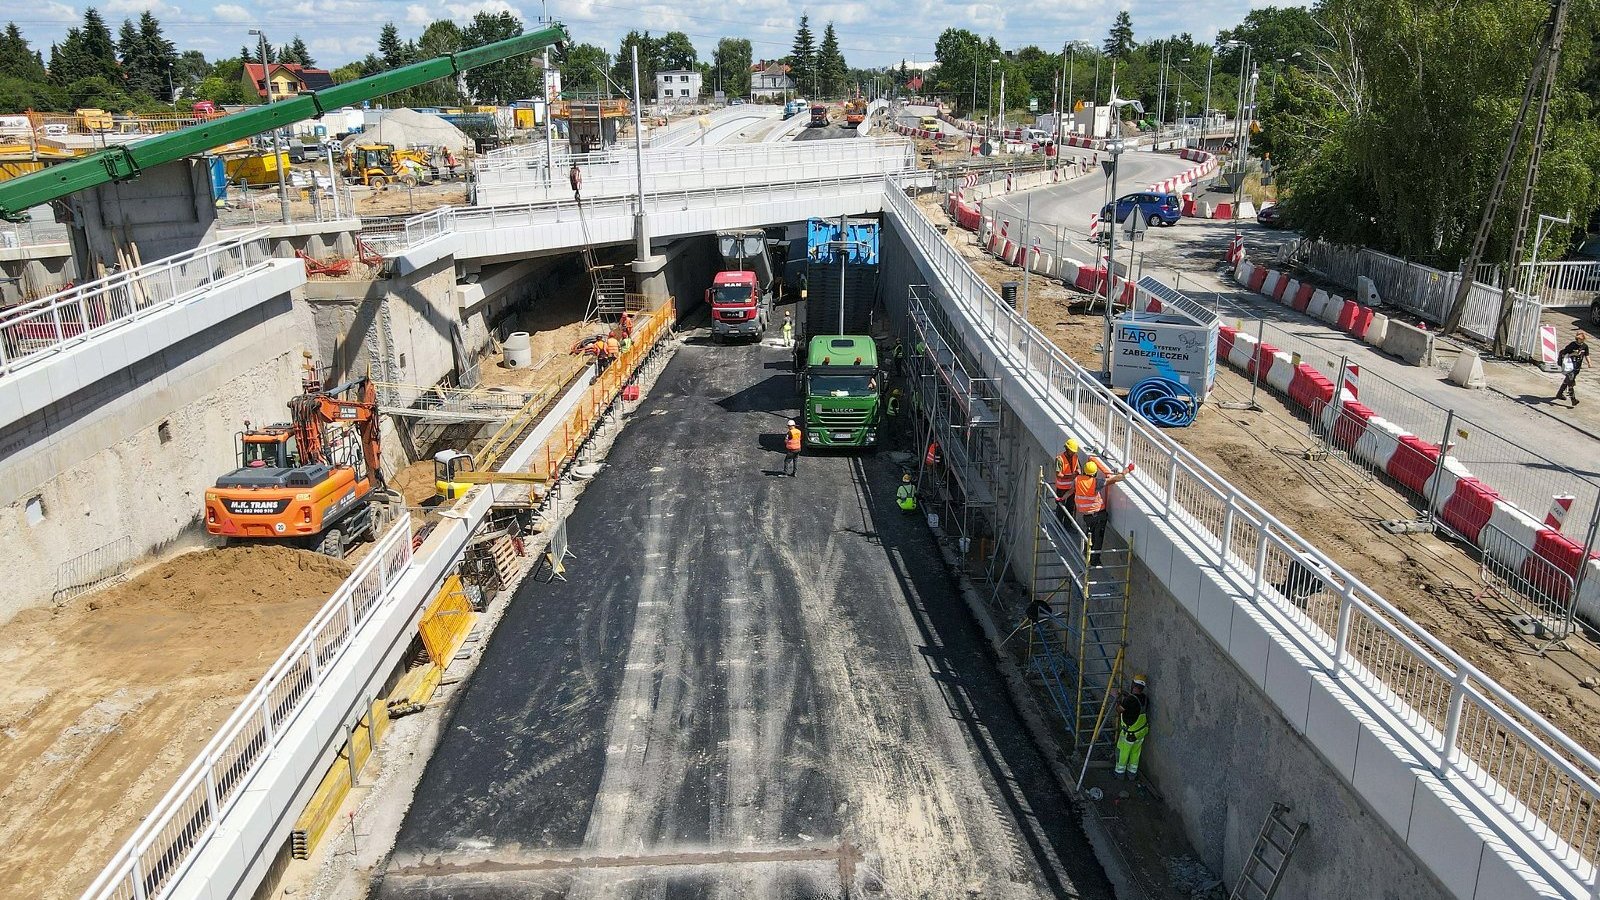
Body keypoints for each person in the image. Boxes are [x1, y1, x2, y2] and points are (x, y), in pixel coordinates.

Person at [1074, 459, 1133, 563]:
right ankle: (1094, 560)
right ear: (1095, 473)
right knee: (1098, 538)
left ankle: (1087, 556)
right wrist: (1127, 469)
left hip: (1087, 516)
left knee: (1089, 535)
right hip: (1098, 515)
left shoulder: (1078, 480)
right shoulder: (1095, 482)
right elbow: (1117, 478)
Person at [1114, 674, 1150, 780]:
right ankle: (1132, 774)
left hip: (1129, 734)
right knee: (1135, 753)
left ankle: (1119, 774)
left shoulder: (1129, 700)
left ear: (1133, 684)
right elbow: (1135, 705)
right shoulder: (1145, 698)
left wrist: (1117, 699)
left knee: (1122, 753)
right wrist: (1126, 696)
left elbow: (1119, 710)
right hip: (1141, 732)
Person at [1557, 332, 1589, 406]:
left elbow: (1587, 355)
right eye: (1580, 339)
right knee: (1570, 382)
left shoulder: (1585, 346)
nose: (1581, 340)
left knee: (1568, 381)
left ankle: (1559, 393)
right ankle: (1573, 399)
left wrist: (1589, 363)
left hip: (1577, 368)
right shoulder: (1572, 345)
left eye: (1582, 339)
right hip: (1569, 366)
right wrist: (1572, 354)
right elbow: (1564, 353)